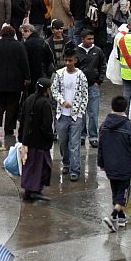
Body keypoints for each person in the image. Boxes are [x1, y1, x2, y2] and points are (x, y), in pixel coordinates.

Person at [98, 95, 131, 232]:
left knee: (115, 191)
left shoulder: (104, 126)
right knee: (123, 193)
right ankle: (113, 216)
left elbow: (100, 147)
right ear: (125, 108)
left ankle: (121, 218)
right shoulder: (130, 127)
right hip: (125, 166)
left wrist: (101, 162)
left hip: (110, 166)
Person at [51, 48, 89, 182]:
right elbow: (54, 90)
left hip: (76, 116)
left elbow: (85, 95)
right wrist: (62, 102)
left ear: (75, 61)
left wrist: (80, 112)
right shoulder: (59, 74)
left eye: (70, 60)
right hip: (62, 115)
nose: (67, 63)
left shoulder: (81, 76)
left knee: (75, 143)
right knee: (63, 141)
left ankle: (75, 169)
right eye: (65, 60)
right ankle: (66, 162)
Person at [0, 23, 30, 135]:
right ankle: (9, 127)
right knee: (13, 104)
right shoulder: (19, 46)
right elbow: (25, 63)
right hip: (15, 81)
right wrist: (27, 77)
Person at [18, 78, 54, 201]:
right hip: (40, 142)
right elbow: (47, 124)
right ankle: (35, 190)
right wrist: (51, 136)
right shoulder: (45, 103)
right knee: (41, 166)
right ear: (46, 89)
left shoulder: (29, 100)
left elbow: (22, 119)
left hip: (28, 140)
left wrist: (21, 137)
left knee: (29, 166)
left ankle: (29, 190)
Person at [75, 30, 105, 147]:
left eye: (92, 39)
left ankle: (93, 136)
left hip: (93, 86)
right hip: (79, 87)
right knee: (80, 113)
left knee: (93, 113)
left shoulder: (97, 51)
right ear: (82, 39)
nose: (91, 41)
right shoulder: (76, 51)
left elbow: (103, 65)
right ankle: (82, 135)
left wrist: (99, 81)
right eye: (89, 39)